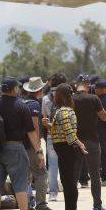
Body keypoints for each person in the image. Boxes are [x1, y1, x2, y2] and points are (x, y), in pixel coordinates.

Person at [0, 76, 44, 210]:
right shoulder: (20, 105)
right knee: (20, 184)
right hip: (15, 147)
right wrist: (38, 151)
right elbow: (31, 131)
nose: (19, 89)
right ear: (13, 89)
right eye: (17, 87)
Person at [73, 75, 106, 210]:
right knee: (95, 175)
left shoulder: (71, 99)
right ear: (88, 84)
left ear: (76, 84)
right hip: (92, 141)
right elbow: (104, 117)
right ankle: (97, 207)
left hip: (75, 141)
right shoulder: (93, 98)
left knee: (74, 176)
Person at [50, 83, 89, 210]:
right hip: (66, 149)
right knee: (67, 182)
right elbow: (62, 129)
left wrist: (79, 144)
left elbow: (68, 131)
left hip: (67, 149)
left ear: (60, 95)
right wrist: (48, 125)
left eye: (56, 93)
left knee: (69, 182)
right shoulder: (65, 110)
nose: (54, 96)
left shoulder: (63, 111)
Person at [22, 77, 59, 210]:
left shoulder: (22, 102)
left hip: (21, 145)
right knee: (41, 173)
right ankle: (41, 205)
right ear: (40, 90)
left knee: (25, 176)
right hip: (31, 146)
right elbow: (34, 128)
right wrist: (39, 150)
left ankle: (25, 206)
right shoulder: (34, 105)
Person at [42, 73, 67, 202]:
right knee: (68, 163)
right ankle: (69, 188)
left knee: (52, 165)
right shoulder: (68, 96)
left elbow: (44, 117)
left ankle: (53, 192)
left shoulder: (46, 98)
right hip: (67, 134)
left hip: (52, 134)